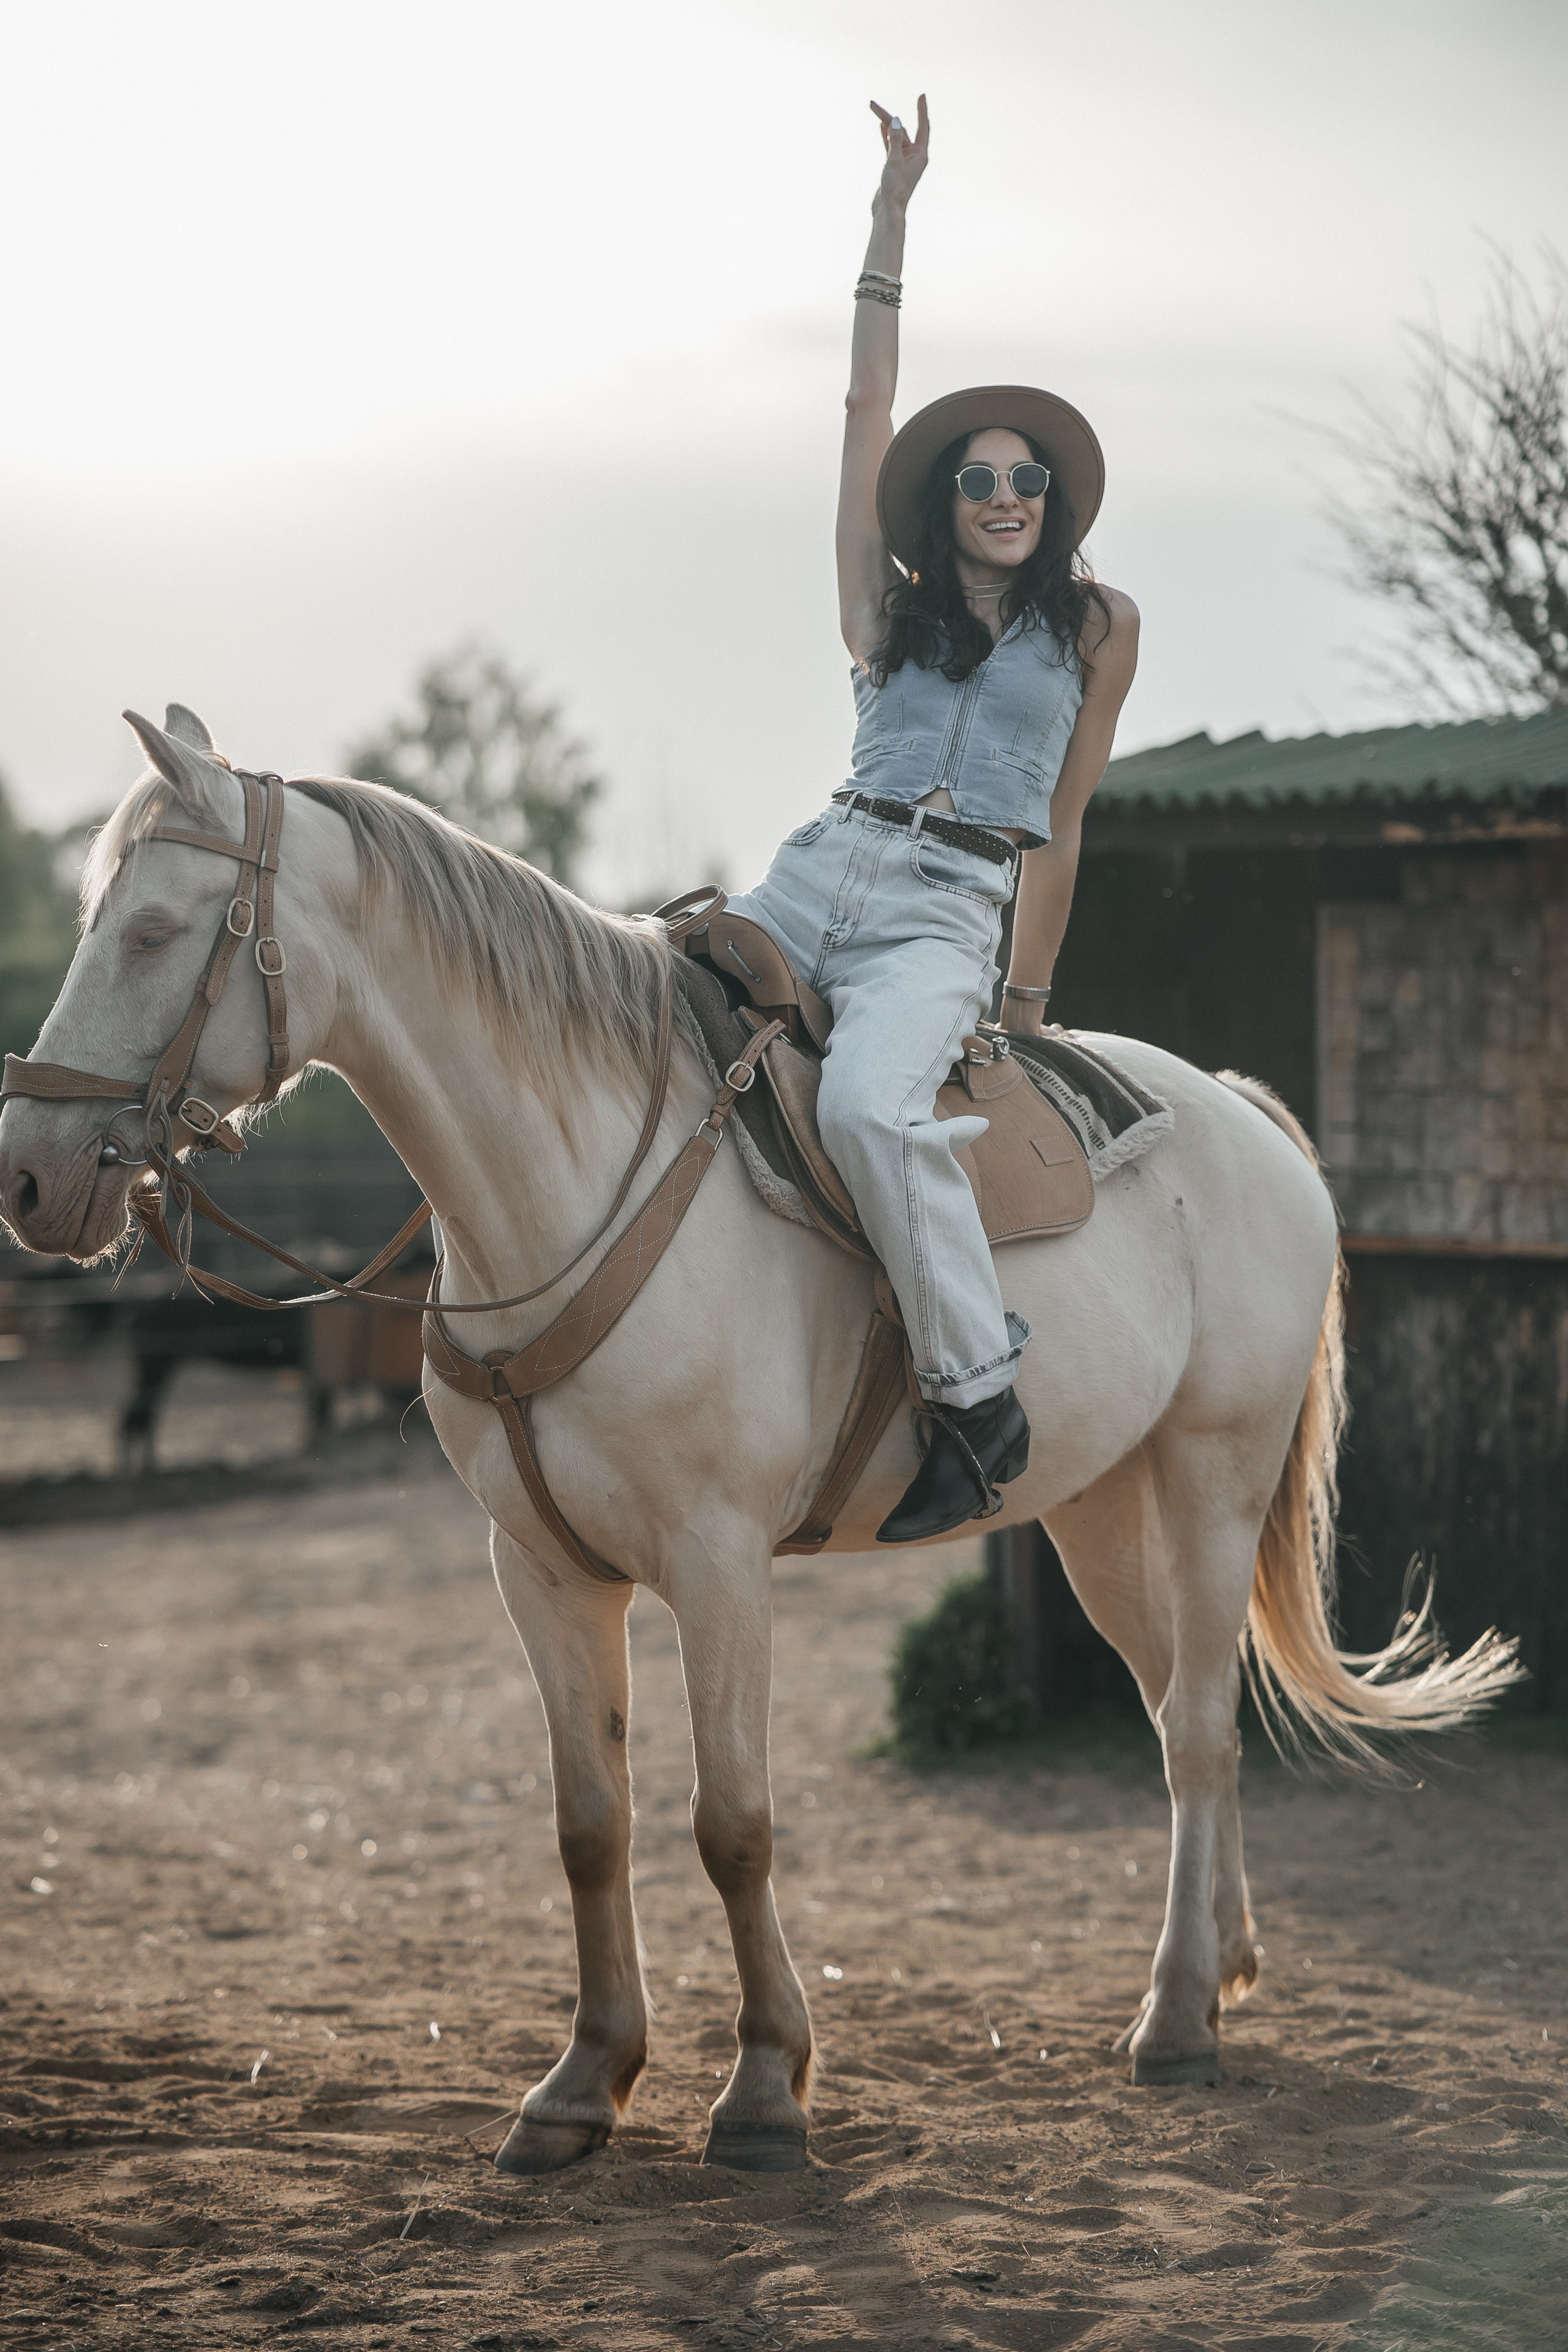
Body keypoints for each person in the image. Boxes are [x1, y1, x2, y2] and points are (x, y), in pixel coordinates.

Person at [723, 97, 1140, 1544]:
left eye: (1028, 477)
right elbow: (859, 413)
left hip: (942, 910)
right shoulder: (877, 615)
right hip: (814, 866)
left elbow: (1065, 827)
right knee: (639, 999)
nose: (1005, 491)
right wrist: (887, 225)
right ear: (943, 503)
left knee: (863, 1108)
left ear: (1054, 502)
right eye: (978, 477)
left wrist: (1023, 995)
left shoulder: (1094, 628)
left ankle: (978, 1399)